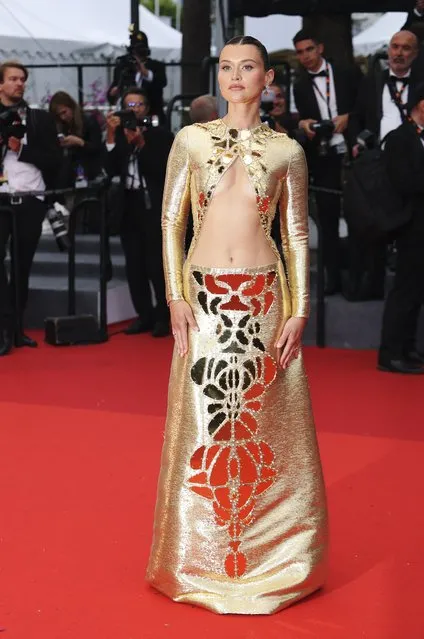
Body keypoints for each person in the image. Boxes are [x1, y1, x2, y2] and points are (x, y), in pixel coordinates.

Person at [146, 36, 328, 614]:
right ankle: (193, 559)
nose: (235, 77)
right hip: (202, 301)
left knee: (270, 428)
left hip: (264, 300)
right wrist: (175, 295)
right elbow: (171, 220)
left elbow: (296, 234)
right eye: (226, 67)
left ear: (267, 78)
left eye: (247, 67)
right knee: (202, 427)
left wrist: (300, 308)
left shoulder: (288, 152)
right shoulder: (191, 140)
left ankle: (280, 557)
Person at [349, 30, 422, 301]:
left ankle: (411, 288)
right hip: (378, 166)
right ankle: (372, 285)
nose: (399, 53)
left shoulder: (422, 84)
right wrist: (356, 144)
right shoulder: (373, 81)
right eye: (395, 47)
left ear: (415, 54)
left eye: (406, 48)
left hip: (413, 165)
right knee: (376, 225)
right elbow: (357, 115)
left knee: (412, 228)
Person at [292, 29, 361, 296]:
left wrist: (348, 117)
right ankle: (332, 279)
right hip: (323, 155)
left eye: (309, 49)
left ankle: (358, 278)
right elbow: (304, 120)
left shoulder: (347, 73)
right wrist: (305, 124)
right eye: (299, 52)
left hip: (353, 151)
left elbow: (366, 108)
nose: (305, 56)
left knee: (358, 215)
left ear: (320, 48)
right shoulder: (299, 86)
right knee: (328, 219)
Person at [0, 61, 60, 356]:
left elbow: (55, 159)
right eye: (12, 79)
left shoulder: (39, 119)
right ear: (1, 84)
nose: (19, 83)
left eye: (22, 79)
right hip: (0, 200)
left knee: (22, 268)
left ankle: (16, 330)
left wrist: (20, 149)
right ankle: (3, 328)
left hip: (29, 200)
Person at [105, 88, 174, 338]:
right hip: (129, 204)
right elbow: (109, 167)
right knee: (134, 265)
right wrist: (112, 136)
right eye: (129, 105)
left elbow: (162, 170)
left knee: (155, 264)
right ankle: (142, 315)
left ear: (147, 108)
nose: (134, 109)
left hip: (153, 205)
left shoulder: (161, 135)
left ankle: (162, 317)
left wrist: (141, 144)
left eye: (138, 104)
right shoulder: (121, 136)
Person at [378, 82, 424, 375]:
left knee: (417, 290)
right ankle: (390, 352)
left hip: (422, 226)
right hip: (409, 226)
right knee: (404, 290)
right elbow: (403, 181)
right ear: (422, 105)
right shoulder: (399, 139)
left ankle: (407, 346)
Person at [107, 30, 167, 124]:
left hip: (152, 116)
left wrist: (146, 73)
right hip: (128, 117)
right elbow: (112, 94)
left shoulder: (157, 66)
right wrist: (113, 93)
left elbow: (161, 82)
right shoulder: (124, 68)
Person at [49, 91, 103, 187]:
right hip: (71, 173)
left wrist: (79, 142)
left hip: (89, 172)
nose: (63, 117)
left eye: (64, 112)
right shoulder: (62, 125)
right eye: (59, 115)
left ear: (71, 106)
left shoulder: (89, 120)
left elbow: (97, 148)